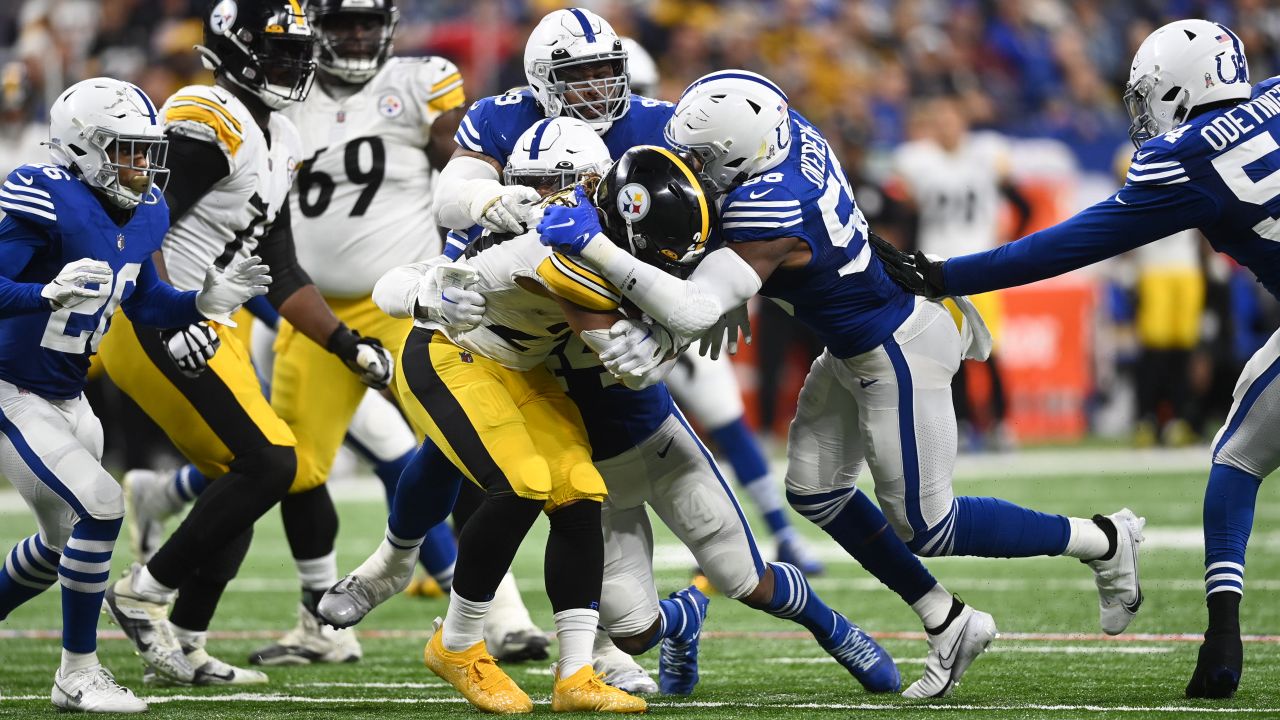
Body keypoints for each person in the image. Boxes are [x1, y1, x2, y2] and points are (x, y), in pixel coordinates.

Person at [540, 69, 1144, 699]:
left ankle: (1104, 538)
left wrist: (599, 250)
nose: (690, 166)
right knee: (816, 493)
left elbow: (693, 304)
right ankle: (948, 619)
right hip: (855, 339)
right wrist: (726, 296)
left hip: (896, 346)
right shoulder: (783, 133)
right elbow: (727, 262)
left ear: (739, 154)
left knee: (927, 525)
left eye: (703, 158)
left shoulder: (768, 208)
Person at [869, 19, 1271, 700]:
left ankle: (1223, 635)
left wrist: (944, 275)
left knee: (1236, 460)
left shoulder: (1185, 155)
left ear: (1181, 87)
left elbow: (1068, 245)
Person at [98, 0, 392, 685]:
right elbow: (143, 229)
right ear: (230, 48)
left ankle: (189, 645)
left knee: (249, 477)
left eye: (297, 50)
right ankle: (145, 591)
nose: (292, 63)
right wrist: (169, 317)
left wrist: (346, 344)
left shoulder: (278, 133)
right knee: (271, 462)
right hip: (155, 320)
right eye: (276, 50)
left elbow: (282, 269)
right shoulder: (209, 118)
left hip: (210, 321)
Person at [0, 76, 267, 712]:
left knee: (63, 547)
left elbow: (144, 300)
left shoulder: (145, 211)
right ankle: (78, 674)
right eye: (125, 149)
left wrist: (203, 302)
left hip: (68, 397)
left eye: (147, 150)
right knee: (102, 504)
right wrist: (44, 293)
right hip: (12, 388)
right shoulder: (42, 194)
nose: (142, 164)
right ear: (81, 148)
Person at [890, 94, 1031, 451]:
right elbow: (906, 214)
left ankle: (1000, 423)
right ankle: (964, 424)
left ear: (963, 122)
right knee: (948, 355)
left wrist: (1006, 245)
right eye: (939, 121)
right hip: (937, 271)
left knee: (989, 350)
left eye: (950, 120)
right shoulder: (918, 161)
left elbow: (1022, 203)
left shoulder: (985, 155)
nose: (946, 127)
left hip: (980, 267)